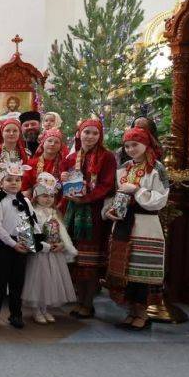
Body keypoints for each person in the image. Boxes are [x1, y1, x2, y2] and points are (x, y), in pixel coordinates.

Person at [105, 127, 169, 332]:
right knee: (126, 272)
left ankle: (142, 314)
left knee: (141, 272)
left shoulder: (156, 168)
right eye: (127, 146)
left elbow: (160, 199)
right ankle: (131, 311)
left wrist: (138, 190)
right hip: (123, 223)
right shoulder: (123, 167)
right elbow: (116, 193)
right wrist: (110, 211)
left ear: (146, 144)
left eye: (135, 145)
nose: (131, 149)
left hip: (145, 224)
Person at [61, 117, 117, 319]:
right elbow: (64, 182)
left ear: (100, 136)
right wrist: (64, 180)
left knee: (89, 261)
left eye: (95, 133)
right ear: (79, 134)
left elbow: (107, 185)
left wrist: (86, 198)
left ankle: (88, 302)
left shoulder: (107, 157)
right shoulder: (71, 157)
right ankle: (79, 300)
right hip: (73, 213)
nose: (90, 136)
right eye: (87, 132)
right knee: (76, 259)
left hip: (93, 215)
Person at [0, 162, 38, 328]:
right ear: (1, 183)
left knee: (17, 283)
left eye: (17, 180)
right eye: (9, 179)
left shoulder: (26, 202)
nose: (14, 183)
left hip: (21, 245)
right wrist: (12, 244)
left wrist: (33, 241)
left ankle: (15, 314)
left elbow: (33, 222)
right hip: (3, 246)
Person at [23, 173, 77, 324]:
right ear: (36, 196)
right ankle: (36, 310)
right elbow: (30, 232)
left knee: (51, 282)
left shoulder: (55, 213)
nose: (48, 199)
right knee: (38, 281)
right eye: (44, 196)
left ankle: (45, 309)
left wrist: (63, 245)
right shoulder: (32, 213)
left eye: (51, 196)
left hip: (54, 254)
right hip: (39, 254)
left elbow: (62, 232)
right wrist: (41, 245)